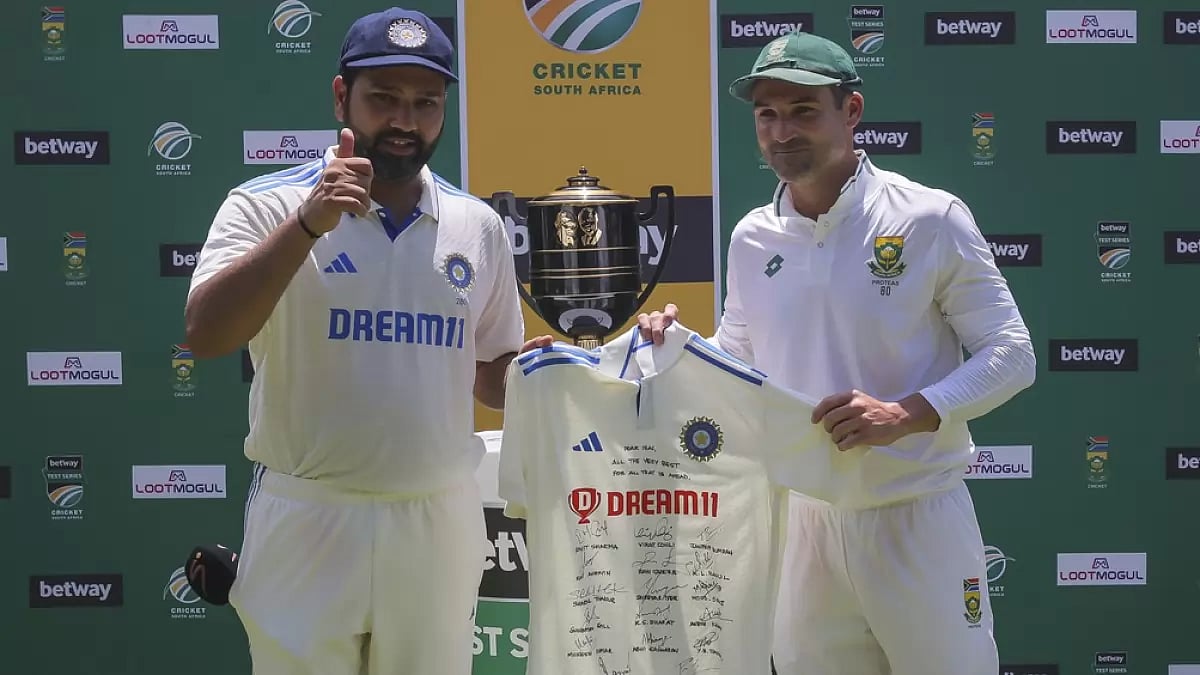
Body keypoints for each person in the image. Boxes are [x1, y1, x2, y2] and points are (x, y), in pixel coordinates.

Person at [637, 29, 1036, 675]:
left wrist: (907, 412)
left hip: (915, 516)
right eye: (767, 114)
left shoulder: (929, 217)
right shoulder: (751, 237)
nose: (781, 131)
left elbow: (1013, 353)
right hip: (801, 528)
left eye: (802, 111)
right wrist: (673, 348)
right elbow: (738, 364)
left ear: (851, 111)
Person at [183, 8, 549, 675]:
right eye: (384, 99)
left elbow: (490, 373)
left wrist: (543, 371)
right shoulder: (265, 204)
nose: (405, 121)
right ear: (340, 96)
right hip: (309, 517)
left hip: (435, 519)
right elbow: (206, 333)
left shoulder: (478, 225)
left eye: (425, 103)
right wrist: (307, 226)